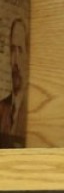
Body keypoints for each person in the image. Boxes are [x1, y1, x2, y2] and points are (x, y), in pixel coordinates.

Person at [0, 17, 28, 148]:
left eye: (20, 50)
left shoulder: (31, 112)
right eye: (12, 49)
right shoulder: (1, 108)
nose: (15, 61)